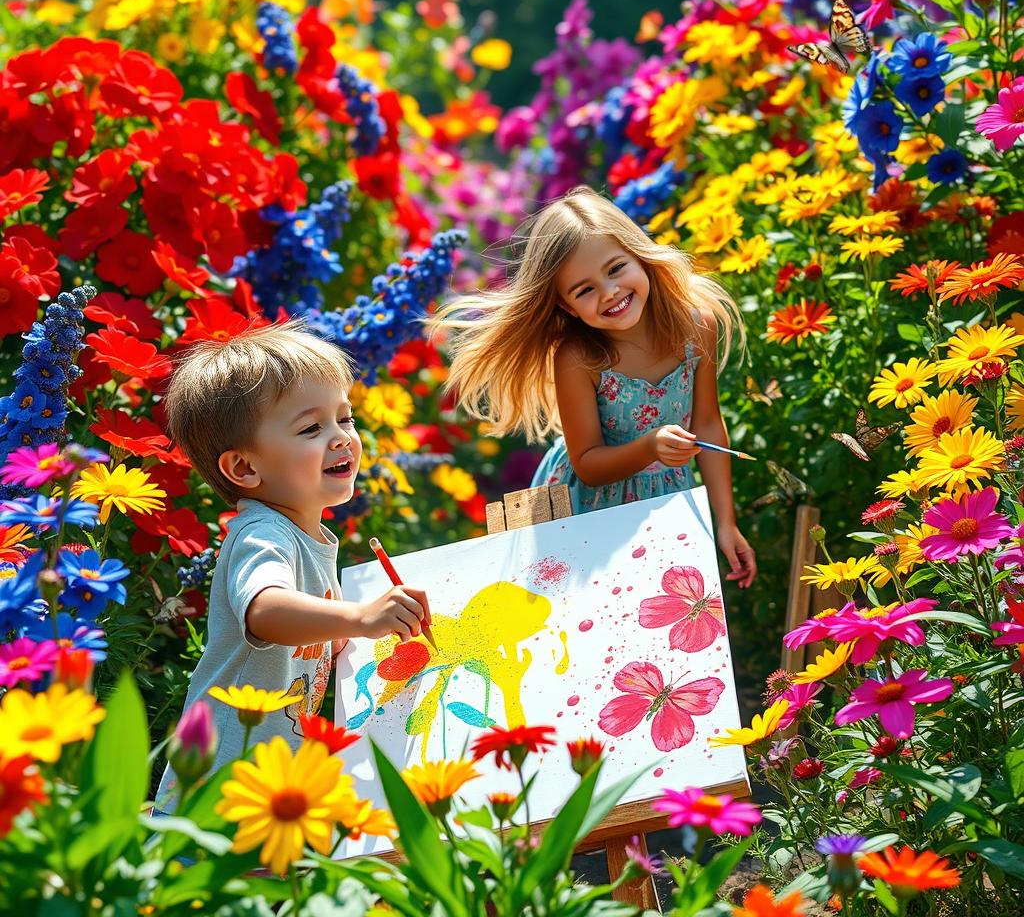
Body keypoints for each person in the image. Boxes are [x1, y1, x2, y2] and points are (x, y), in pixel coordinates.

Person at [154, 320, 431, 809]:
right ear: (244, 468)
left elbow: (313, 634)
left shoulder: (308, 535)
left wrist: (349, 634)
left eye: (344, 418)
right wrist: (361, 618)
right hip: (220, 780)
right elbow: (267, 610)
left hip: (268, 778)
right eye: (311, 428)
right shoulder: (262, 534)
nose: (342, 437)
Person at [431, 185, 756, 586]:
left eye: (617, 268)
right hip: (585, 507)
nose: (609, 292)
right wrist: (650, 446)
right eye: (585, 290)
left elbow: (707, 423)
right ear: (567, 306)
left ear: (639, 255)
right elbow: (587, 465)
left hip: (668, 494)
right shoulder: (578, 358)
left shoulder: (697, 326)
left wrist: (725, 523)